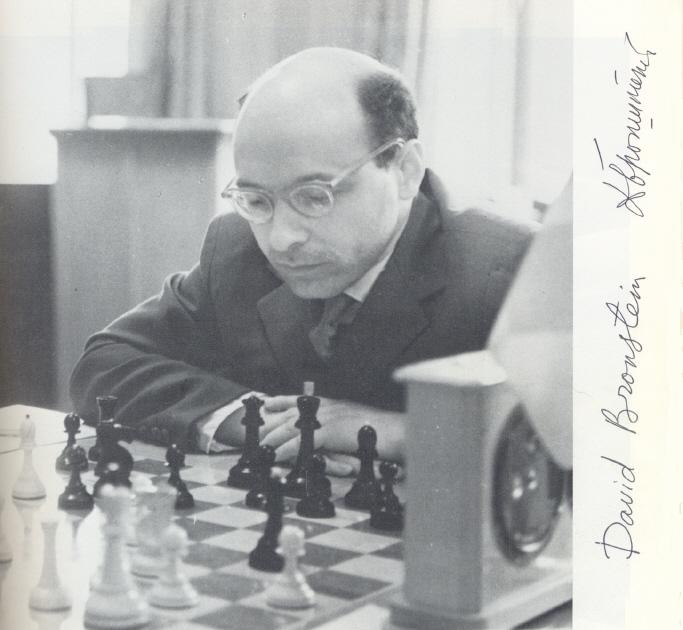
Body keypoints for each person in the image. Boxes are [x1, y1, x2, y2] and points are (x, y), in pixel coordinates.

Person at [70, 47, 534, 475]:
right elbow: (105, 363)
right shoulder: (236, 251)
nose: (282, 238)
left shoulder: (513, 272)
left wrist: (397, 432)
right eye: (256, 199)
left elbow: (592, 446)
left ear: (405, 169)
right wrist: (246, 419)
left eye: (314, 196)